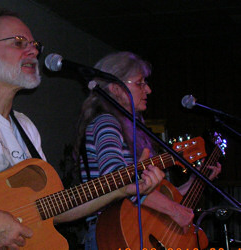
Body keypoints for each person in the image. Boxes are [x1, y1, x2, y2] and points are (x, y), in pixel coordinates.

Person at [0, 11, 164, 249]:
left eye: (34, 44)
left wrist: (120, 190)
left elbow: (51, 208)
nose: (33, 51)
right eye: (19, 42)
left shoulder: (25, 127)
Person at [74, 51, 222, 249]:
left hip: (132, 230)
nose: (149, 90)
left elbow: (145, 195)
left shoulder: (133, 128)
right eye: (140, 83)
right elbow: (119, 179)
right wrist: (173, 209)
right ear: (116, 89)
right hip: (111, 232)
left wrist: (193, 183)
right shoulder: (106, 123)